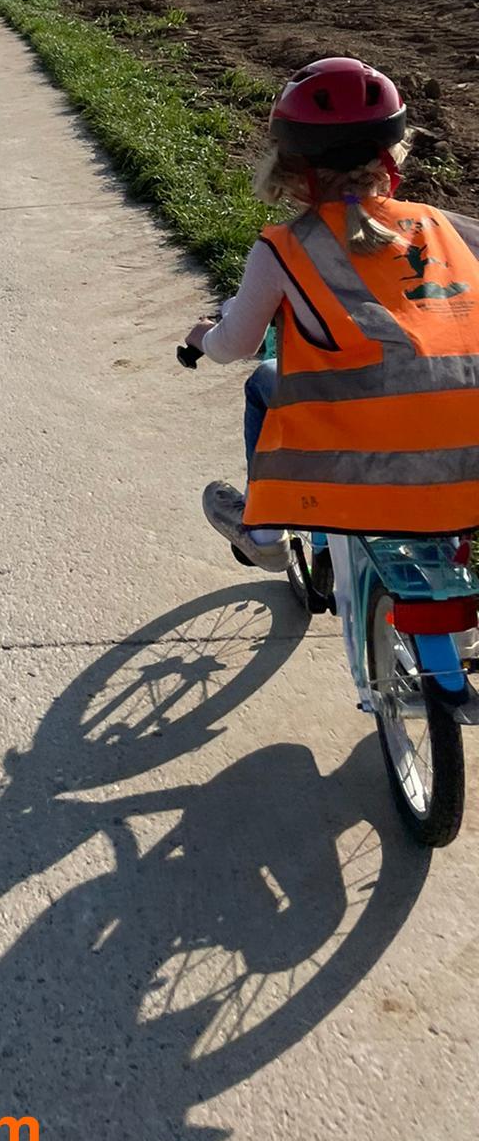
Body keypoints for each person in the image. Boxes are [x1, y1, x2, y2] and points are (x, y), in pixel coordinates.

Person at [183, 56, 479, 691]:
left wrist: (202, 336)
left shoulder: (285, 247)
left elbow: (236, 344)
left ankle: (264, 533)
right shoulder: (446, 226)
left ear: (291, 170)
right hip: (470, 450)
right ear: (392, 154)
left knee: (263, 382)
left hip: (364, 451)